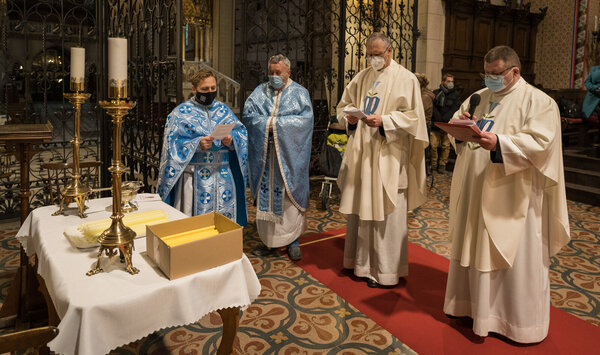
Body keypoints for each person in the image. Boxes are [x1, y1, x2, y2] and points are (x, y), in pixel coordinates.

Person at [443, 45, 570, 343]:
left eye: (496, 74)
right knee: (474, 247)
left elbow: (541, 144)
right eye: (486, 74)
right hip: (476, 191)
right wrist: (459, 128)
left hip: (514, 197)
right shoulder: (479, 97)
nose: (490, 80)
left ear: (515, 71)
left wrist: (499, 143)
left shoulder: (539, 102)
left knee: (511, 257)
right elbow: (458, 130)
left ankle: (514, 322)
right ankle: (472, 308)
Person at [336, 32, 429, 288]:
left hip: (389, 154)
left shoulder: (406, 79)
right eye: (370, 54)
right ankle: (360, 264)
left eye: (377, 54)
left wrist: (385, 121)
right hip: (363, 154)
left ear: (390, 51)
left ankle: (385, 271)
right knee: (361, 209)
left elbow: (414, 119)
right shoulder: (362, 77)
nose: (373, 59)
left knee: (386, 214)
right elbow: (344, 105)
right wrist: (350, 118)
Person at [242, 54, 314, 261]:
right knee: (267, 199)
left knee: (288, 200)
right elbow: (249, 116)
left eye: (278, 73)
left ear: (288, 73)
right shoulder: (259, 92)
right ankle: (268, 242)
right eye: (271, 72)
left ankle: (292, 240)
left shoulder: (300, 93)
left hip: (289, 159)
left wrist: (277, 125)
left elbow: (305, 121)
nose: (274, 76)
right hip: (266, 158)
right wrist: (267, 125)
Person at [157, 69, 248, 226]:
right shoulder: (180, 113)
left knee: (224, 224)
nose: (210, 92)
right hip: (194, 176)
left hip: (222, 174)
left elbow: (242, 133)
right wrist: (197, 144)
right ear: (194, 89)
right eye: (205, 89)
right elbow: (171, 146)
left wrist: (231, 140)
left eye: (213, 88)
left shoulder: (223, 110)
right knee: (194, 225)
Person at [431, 73, 461, 174]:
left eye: (452, 81)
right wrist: (439, 118)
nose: (450, 83)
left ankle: (442, 165)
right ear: (443, 82)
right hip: (436, 123)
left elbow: (455, 108)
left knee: (445, 146)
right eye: (448, 81)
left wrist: (445, 119)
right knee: (433, 145)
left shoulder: (455, 94)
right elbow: (433, 108)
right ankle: (434, 164)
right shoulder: (436, 93)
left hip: (448, 124)